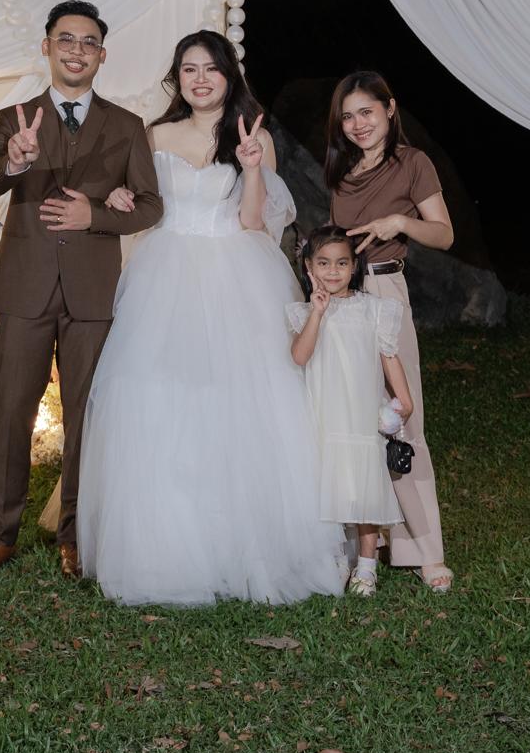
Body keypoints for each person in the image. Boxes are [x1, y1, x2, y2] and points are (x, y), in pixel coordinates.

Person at [78, 30, 346, 605]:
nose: (200, 79)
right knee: (159, 396)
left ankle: (244, 543)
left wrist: (252, 168)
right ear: (177, 77)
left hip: (234, 272)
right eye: (189, 69)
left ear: (229, 75)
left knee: (241, 400)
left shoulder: (254, 136)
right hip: (166, 271)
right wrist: (121, 198)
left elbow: (254, 223)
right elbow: (143, 203)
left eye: (211, 69)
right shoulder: (155, 134)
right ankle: (166, 546)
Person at [0, 1, 162, 580]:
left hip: (93, 293)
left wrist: (94, 215)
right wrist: (14, 161)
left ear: (103, 54)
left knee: (86, 419)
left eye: (88, 42)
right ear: (46, 47)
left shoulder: (126, 126)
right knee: (9, 416)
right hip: (24, 288)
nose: (77, 51)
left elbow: (151, 206)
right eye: (66, 40)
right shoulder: (14, 117)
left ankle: (76, 535)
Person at [325, 71, 456, 592]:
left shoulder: (413, 164)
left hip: (385, 292)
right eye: (348, 117)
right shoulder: (341, 172)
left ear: (390, 109)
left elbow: (444, 234)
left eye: (367, 112)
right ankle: (366, 537)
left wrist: (399, 224)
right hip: (342, 300)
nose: (358, 124)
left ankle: (425, 550)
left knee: (402, 416)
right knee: (352, 422)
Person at [287, 226, 414, 598]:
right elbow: (300, 356)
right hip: (324, 413)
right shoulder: (306, 312)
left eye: (341, 263)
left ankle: (367, 565)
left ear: (354, 265)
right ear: (309, 267)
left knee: (363, 488)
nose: (333, 271)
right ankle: (338, 556)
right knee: (330, 484)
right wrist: (317, 312)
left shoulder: (373, 309)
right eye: (324, 263)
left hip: (359, 415)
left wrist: (404, 400)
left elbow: (389, 356)